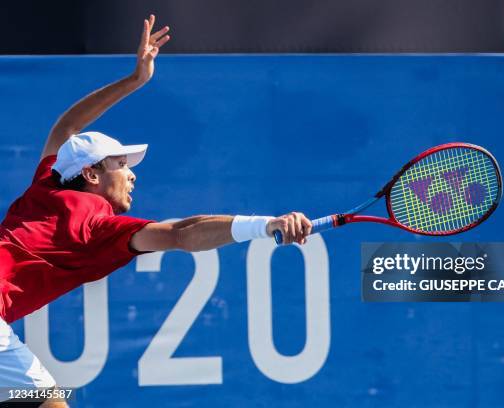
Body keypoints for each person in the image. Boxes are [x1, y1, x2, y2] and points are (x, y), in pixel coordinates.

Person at [0, 15, 311, 407]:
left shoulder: (47, 184)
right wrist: (266, 225)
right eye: (121, 164)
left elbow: (66, 127)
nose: (131, 176)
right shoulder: (94, 225)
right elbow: (182, 233)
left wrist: (135, 80)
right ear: (90, 173)